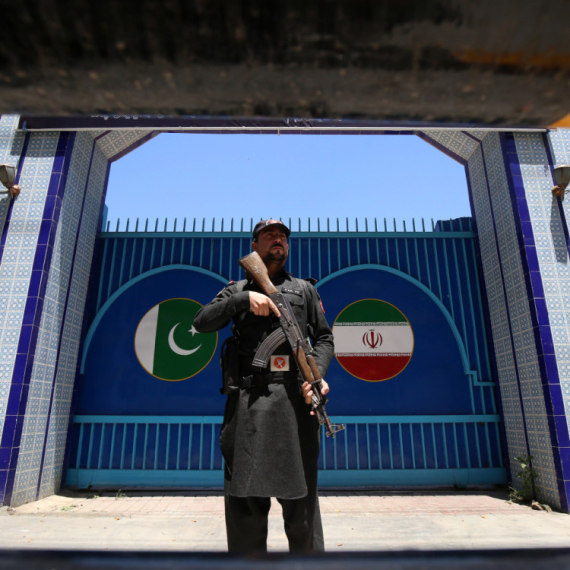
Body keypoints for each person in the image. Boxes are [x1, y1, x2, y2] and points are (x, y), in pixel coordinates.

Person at [193, 219, 334, 553]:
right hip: (249, 405)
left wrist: (316, 377)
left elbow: (324, 338)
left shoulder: (304, 289)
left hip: (295, 404)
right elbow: (201, 322)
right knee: (245, 512)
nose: (278, 239)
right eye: (270, 235)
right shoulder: (237, 289)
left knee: (302, 514)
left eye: (283, 236)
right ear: (254, 246)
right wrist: (243, 300)